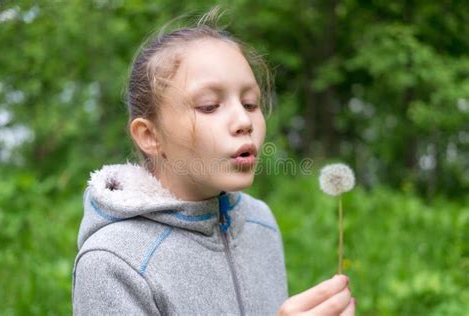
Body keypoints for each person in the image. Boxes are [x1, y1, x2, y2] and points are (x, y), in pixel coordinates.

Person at [72, 8, 355, 316]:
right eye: (209, 106)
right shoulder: (113, 261)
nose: (243, 120)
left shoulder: (261, 223)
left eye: (250, 103)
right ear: (150, 135)